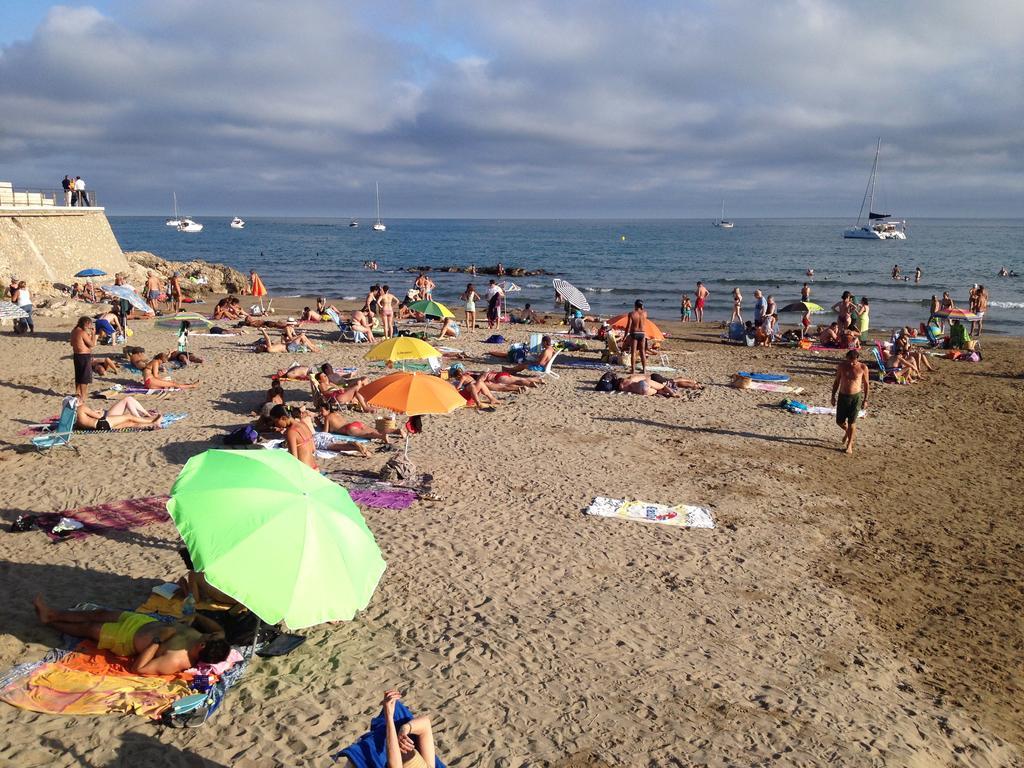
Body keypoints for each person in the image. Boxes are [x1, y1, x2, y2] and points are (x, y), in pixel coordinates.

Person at [33, 595, 230, 676]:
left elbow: (140, 669)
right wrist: (196, 616)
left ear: (202, 647)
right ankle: (53, 614)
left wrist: (158, 640)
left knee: (90, 628)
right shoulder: (202, 640)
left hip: (126, 639)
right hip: (142, 622)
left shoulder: (177, 660)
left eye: (207, 638)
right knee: (99, 613)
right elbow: (219, 631)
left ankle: (50, 621)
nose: (208, 635)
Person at [377, 690, 440, 768]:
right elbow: (426, 724)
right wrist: (405, 729)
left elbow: (395, 765)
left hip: (386, 750)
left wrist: (389, 716)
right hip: (399, 741)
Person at [831, 349, 870, 454]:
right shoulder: (842, 366)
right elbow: (836, 382)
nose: (851, 363)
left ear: (857, 359)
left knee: (852, 421)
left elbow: (866, 385)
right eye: (849, 360)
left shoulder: (863, 368)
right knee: (839, 421)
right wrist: (833, 396)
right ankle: (848, 432)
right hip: (843, 396)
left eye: (853, 361)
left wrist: (865, 399)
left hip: (855, 397)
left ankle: (849, 445)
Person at [75, 399, 163, 430]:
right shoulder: (82, 408)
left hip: (101, 426)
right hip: (103, 422)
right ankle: (152, 420)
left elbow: (83, 423)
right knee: (129, 417)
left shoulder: (75, 416)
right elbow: (99, 417)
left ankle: (152, 425)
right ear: (78, 402)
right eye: (81, 401)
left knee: (130, 423)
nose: (83, 402)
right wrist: (97, 412)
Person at [71, 316, 96, 401]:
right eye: (90, 324)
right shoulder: (82, 332)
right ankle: (83, 395)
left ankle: (77, 393)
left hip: (76, 355)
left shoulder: (74, 331)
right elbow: (92, 344)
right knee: (84, 378)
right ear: (86, 323)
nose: (90, 326)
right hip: (84, 356)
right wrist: (93, 334)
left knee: (78, 375)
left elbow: (72, 343)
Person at [622, 300, 648, 374]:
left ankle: (633, 370)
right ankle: (644, 370)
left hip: (634, 333)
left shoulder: (632, 314)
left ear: (635, 305)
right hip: (642, 333)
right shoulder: (645, 313)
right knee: (642, 351)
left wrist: (625, 336)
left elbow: (628, 326)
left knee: (633, 352)